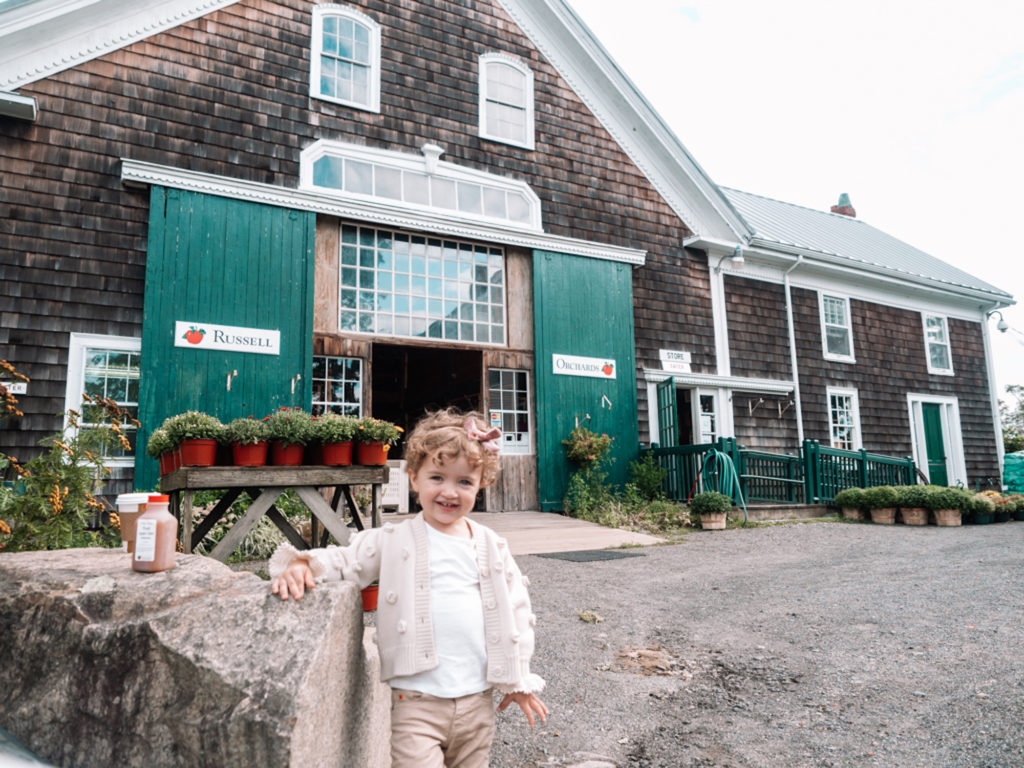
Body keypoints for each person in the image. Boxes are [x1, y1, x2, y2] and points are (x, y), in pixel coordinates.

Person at [270, 408, 548, 768]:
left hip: (477, 702)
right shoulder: (395, 539)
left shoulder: (491, 545)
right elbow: (350, 558)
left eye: (464, 482)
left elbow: (517, 609)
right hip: (416, 703)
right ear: (414, 478)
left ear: (481, 484)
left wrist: (519, 679)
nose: (449, 492)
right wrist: (303, 563)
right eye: (437, 477)